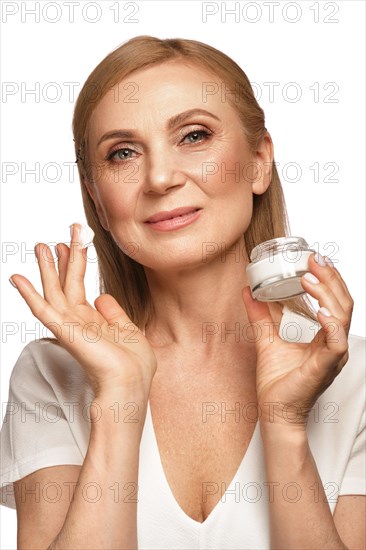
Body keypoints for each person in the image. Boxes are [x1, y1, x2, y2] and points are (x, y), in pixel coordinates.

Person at [1, 35, 365, 550]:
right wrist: (120, 399)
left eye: (194, 136)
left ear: (259, 161)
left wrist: (284, 426)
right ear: (97, 199)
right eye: (122, 153)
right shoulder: (52, 375)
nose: (161, 177)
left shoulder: (355, 378)